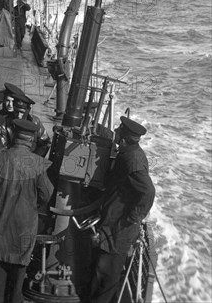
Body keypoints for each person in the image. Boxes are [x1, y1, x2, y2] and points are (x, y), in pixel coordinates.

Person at [0, 119, 54, 303]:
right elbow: (47, 194)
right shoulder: (37, 164)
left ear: (14, 136)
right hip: (24, 224)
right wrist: (31, 206)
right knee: (20, 267)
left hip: (0, 221)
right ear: (31, 140)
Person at [88, 116, 156, 303]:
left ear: (124, 139)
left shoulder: (132, 160)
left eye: (118, 130)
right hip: (114, 221)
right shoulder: (127, 153)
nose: (116, 131)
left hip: (119, 227)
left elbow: (148, 191)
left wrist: (133, 218)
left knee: (106, 274)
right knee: (102, 271)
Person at [0, 82, 51, 155]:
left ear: (27, 111)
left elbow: (45, 143)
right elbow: (2, 146)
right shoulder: (5, 122)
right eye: (16, 112)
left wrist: (35, 159)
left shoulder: (35, 121)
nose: (19, 116)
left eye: (22, 112)